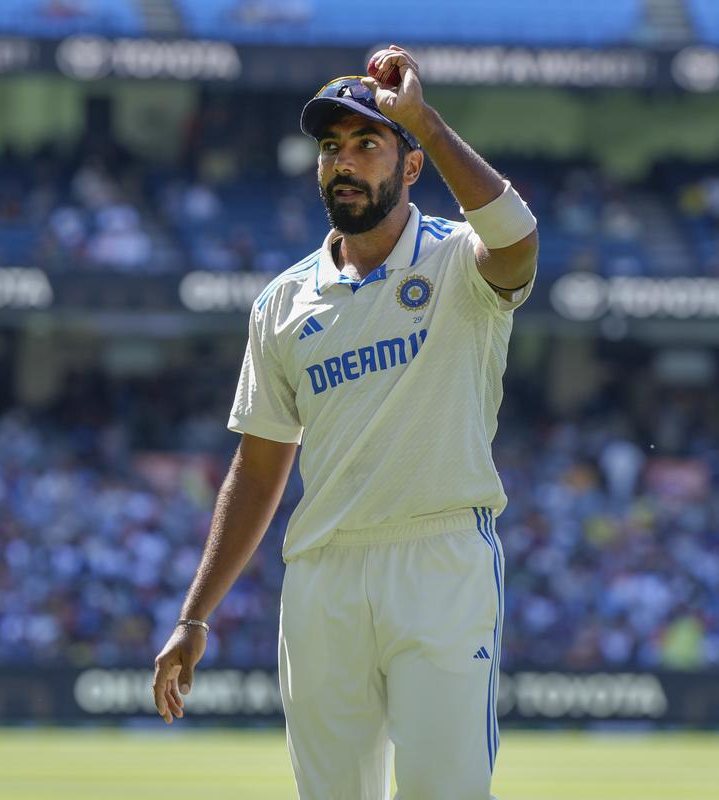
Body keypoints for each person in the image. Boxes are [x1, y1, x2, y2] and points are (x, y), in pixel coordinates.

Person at [151, 45, 538, 800]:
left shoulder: (460, 261)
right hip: (322, 575)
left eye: (368, 143)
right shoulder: (282, 302)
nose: (345, 163)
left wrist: (422, 116)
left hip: (440, 559)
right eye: (332, 147)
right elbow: (258, 471)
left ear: (412, 166)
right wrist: (194, 617)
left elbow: (519, 239)